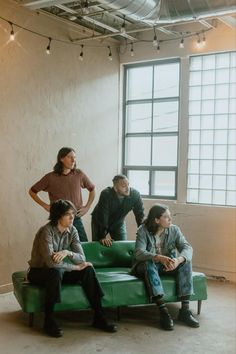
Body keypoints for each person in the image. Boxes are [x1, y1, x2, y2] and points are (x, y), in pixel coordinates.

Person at [28, 199, 117, 337]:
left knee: (87, 269)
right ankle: (49, 320)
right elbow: (51, 264)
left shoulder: (73, 230)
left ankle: (99, 317)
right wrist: (75, 268)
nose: (72, 217)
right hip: (39, 271)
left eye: (73, 214)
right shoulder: (46, 231)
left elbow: (82, 258)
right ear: (58, 216)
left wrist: (67, 252)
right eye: (68, 214)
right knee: (55, 272)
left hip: (59, 270)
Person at [131, 204, 199, 331]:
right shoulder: (143, 230)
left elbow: (187, 247)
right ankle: (163, 311)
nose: (170, 219)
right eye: (166, 217)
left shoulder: (174, 230)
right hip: (145, 266)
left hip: (167, 265)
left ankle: (185, 311)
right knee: (148, 263)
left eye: (170, 216)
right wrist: (158, 257)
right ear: (156, 220)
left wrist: (178, 260)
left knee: (186, 262)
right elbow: (139, 253)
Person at [29, 147, 95, 242]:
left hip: (75, 218)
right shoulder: (50, 177)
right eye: (70, 157)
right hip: (58, 219)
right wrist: (45, 205)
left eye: (74, 157)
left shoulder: (79, 174)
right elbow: (32, 191)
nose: (73, 160)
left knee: (83, 246)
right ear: (61, 158)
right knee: (59, 249)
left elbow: (92, 190)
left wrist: (87, 207)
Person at [91, 175, 144, 247]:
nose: (127, 188)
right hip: (99, 222)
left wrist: (143, 233)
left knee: (122, 245)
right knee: (98, 245)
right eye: (123, 186)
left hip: (118, 222)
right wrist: (102, 236)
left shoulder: (135, 195)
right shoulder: (106, 194)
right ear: (115, 188)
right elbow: (103, 216)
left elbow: (140, 215)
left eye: (128, 185)